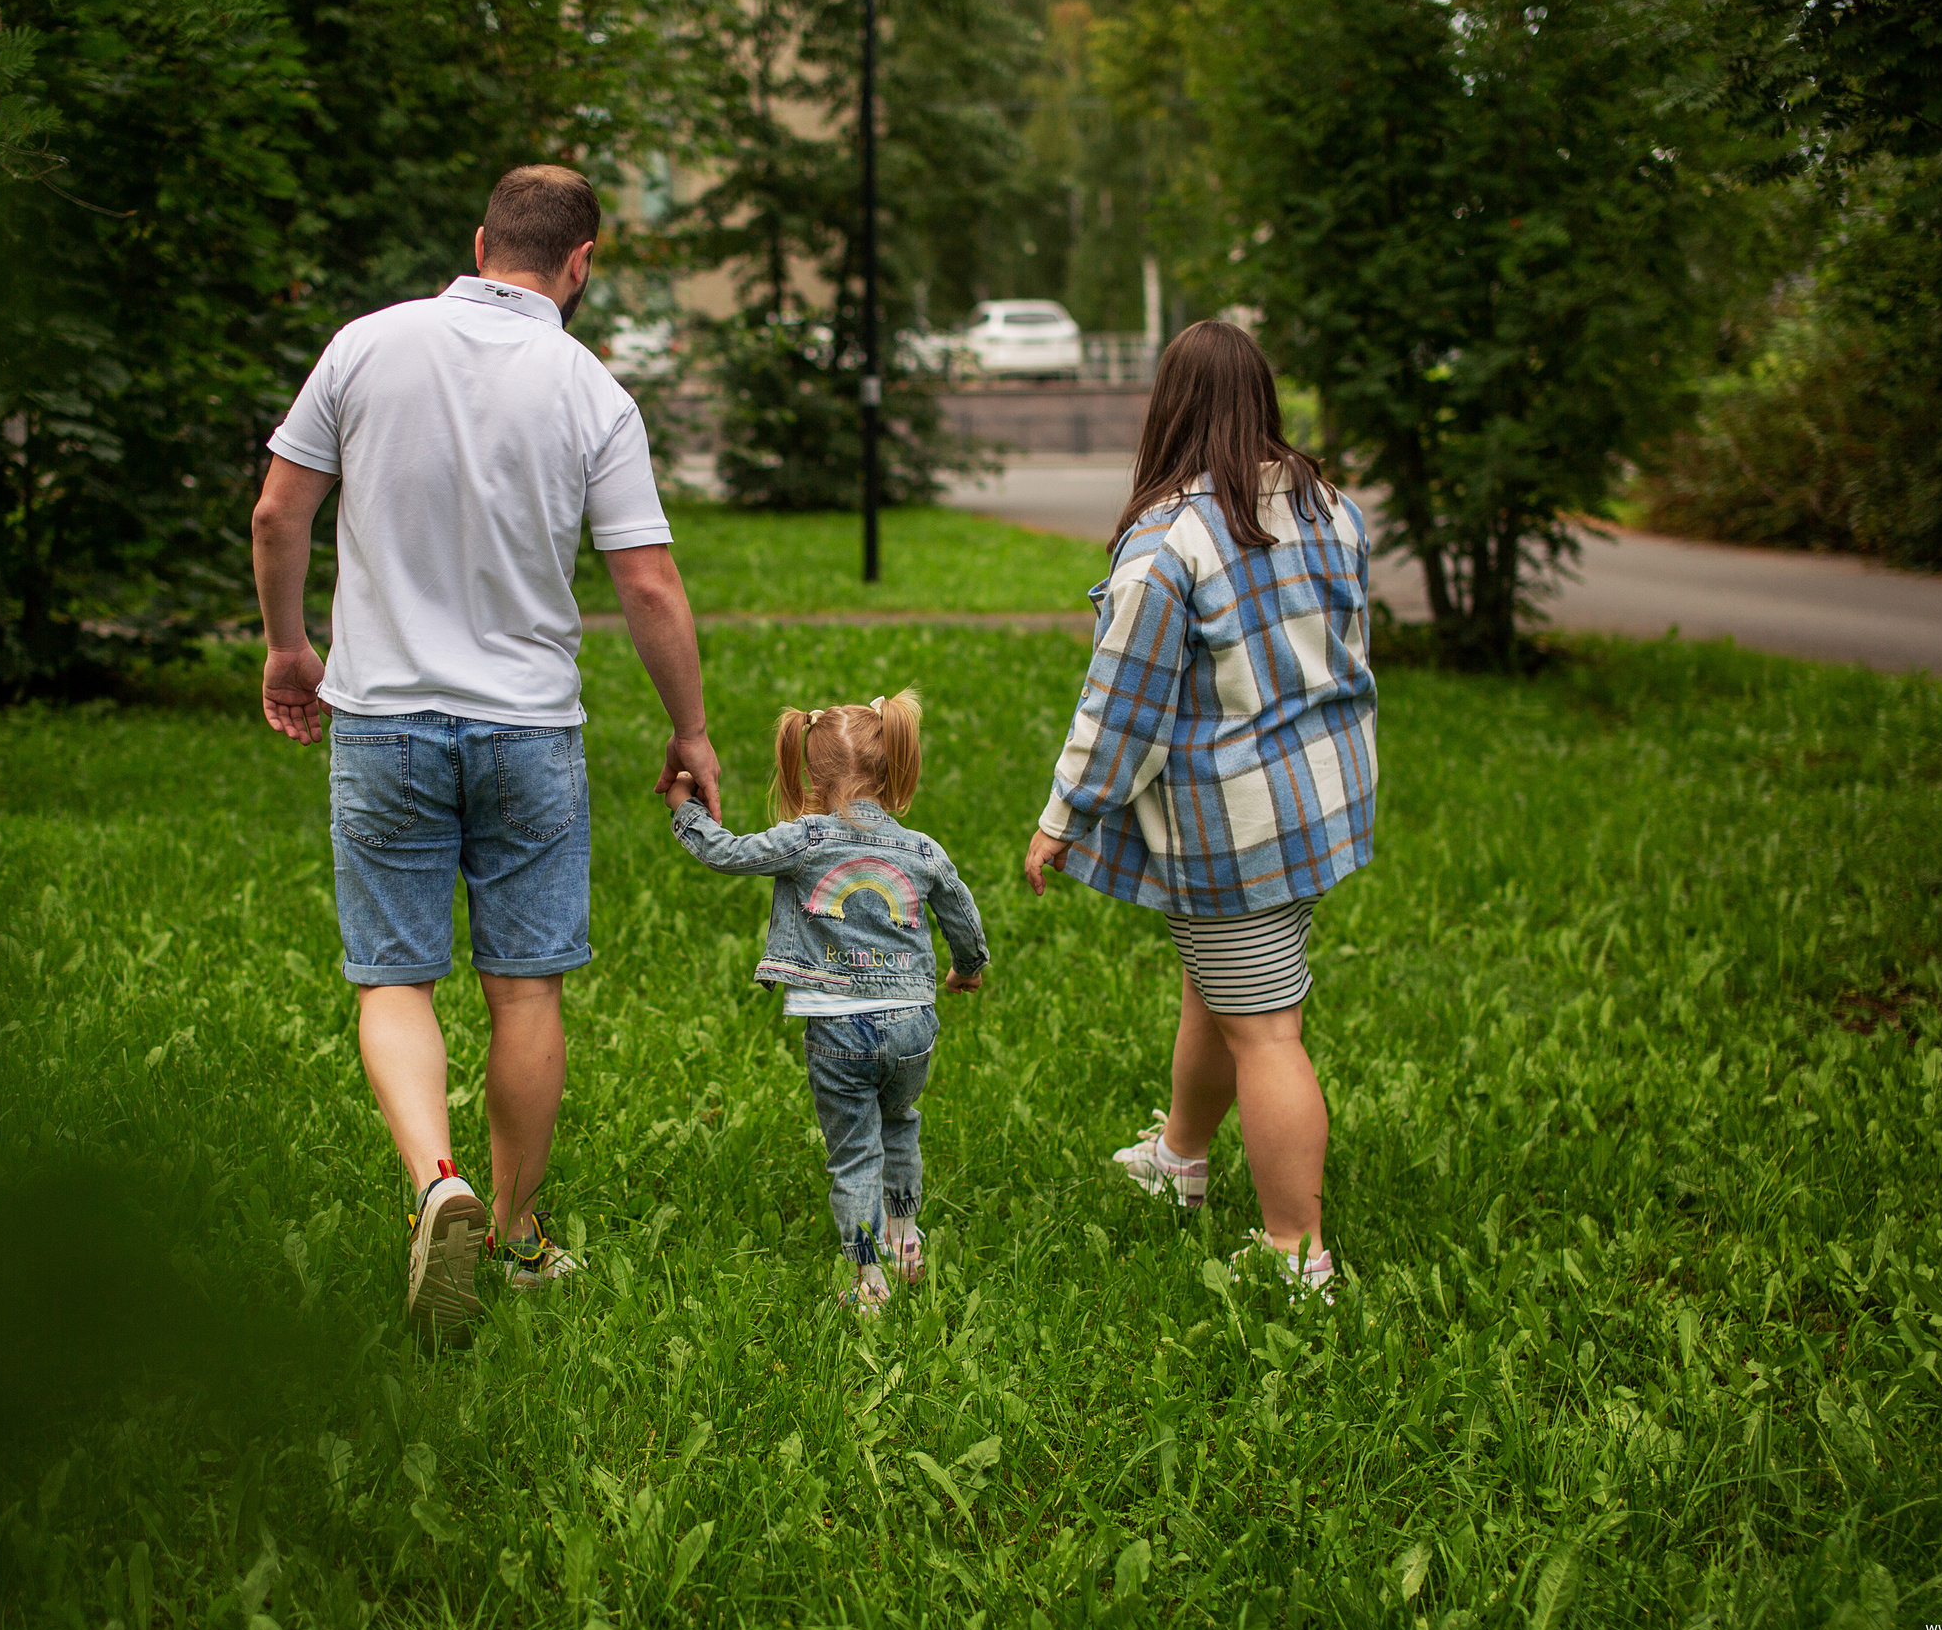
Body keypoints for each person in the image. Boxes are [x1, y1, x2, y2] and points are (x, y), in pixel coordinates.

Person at [250, 164, 724, 1348]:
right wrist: (689, 728)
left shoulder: (364, 347)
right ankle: (512, 1234)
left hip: (383, 718)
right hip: (527, 729)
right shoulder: (590, 389)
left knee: (394, 979)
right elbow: (647, 583)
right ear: (581, 262)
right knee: (523, 989)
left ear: (478, 243)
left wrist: (289, 648)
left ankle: (435, 1185)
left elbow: (277, 514)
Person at [1022, 319, 1375, 1299]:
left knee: (1266, 1032)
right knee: (1216, 988)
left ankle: (1296, 1253)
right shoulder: (1328, 504)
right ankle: (1181, 1156)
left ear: (1167, 407)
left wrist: (1062, 816)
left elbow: (1122, 704)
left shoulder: (1171, 540)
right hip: (1319, 805)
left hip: (1236, 827)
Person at [664, 691, 989, 1314]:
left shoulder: (806, 838)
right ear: (891, 768)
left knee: (855, 1151)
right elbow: (961, 912)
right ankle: (905, 1241)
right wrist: (967, 968)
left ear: (811, 778)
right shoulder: (923, 849)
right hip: (912, 1024)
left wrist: (686, 810)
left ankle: (868, 1279)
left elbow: (725, 853)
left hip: (837, 1027)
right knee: (900, 1122)